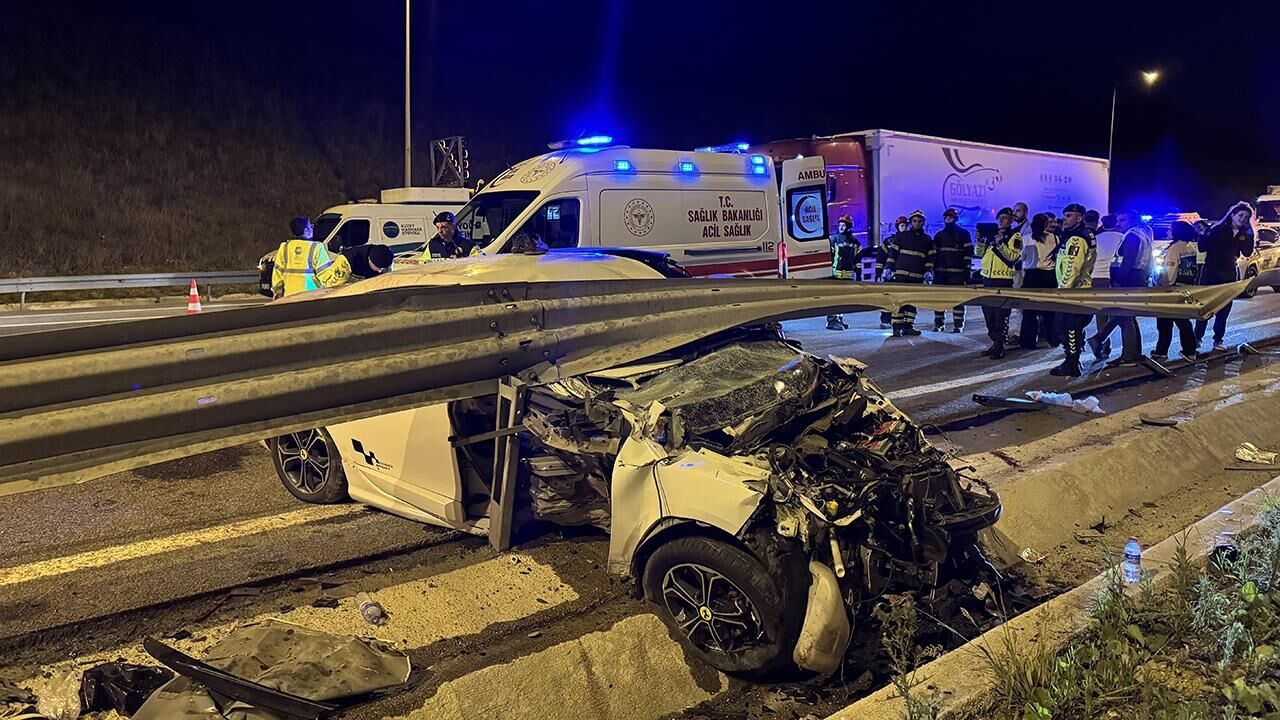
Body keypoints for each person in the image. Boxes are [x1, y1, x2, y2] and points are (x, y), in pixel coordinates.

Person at [1091, 209, 1154, 367]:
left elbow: (1128, 261)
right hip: (1137, 277)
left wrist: (1118, 279)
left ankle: (1128, 356)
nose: (1118, 224)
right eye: (1118, 220)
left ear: (1132, 221)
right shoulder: (1142, 234)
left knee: (1125, 317)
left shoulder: (1132, 236)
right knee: (1128, 316)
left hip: (1128, 279)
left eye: (1122, 220)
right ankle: (1132, 352)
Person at [1194, 202, 1256, 352]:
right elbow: (1202, 247)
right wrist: (1202, 234)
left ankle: (1218, 340)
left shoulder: (1243, 234)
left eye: (1246, 217)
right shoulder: (1218, 229)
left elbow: (1247, 252)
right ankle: (1196, 339)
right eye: (1240, 215)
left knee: (1224, 308)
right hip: (1211, 272)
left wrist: (1250, 235)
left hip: (1229, 273)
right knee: (1205, 307)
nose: (1243, 219)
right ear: (1232, 215)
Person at [1049, 204, 1098, 376]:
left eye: (1069, 215)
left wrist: (1063, 292)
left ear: (1080, 218)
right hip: (1079, 290)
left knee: (1067, 328)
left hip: (1074, 292)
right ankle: (1073, 360)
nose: (1065, 219)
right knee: (1072, 328)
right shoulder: (1079, 234)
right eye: (1065, 215)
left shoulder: (1077, 239)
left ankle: (1072, 363)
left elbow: (1072, 268)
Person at [976, 207, 1022, 358]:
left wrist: (1001, 243)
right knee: (988, 315)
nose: (1001, 220)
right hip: (987, 279)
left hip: (1003, 280)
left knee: (1000, 316)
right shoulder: (991, 234)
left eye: (1005, 218)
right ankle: (995, 342)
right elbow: (978, 254)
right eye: (999, 218)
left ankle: (999, 345)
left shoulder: (1015, 236)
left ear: (1011, 220)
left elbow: (1012, 257)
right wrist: (980, 241)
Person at [1151, 221, 1199, 362]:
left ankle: (1162, 351)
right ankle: (1190, 350)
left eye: (1170, 230)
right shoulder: (1190, 246)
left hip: (1172, 289)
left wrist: (1163, 285)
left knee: (1164, 322)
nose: (1168, 232)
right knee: (1183, 320)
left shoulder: (1174, 248)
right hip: (1185, 287)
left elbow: (1170, 271)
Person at [883, 210, 935, 336]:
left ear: (923, 223)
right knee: (899, 302)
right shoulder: (902, 236)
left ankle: (908, 327)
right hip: (901, 275)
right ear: (911, 222)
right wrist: (888, 267)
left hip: (917, 277)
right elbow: (893, 254)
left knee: (912, 303)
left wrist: (928, 271)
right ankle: (896, 328)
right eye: (914, 221)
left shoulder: (927, 240)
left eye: (919, 221)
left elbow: (930, 258)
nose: (917, 223)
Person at [270, 216, 350, 298]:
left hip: (289, 298)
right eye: (311, 226)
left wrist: (277, 293)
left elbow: (277, 274)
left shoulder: (284, 247)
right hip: (311, 298)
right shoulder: (316, 247)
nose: (312, 228)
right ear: (306, 230)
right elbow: (326, 277)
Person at [1018, 213, 1060, 348]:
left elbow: (1021, 257)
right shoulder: (1054, 238)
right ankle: (1054, 340)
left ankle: (1028, 342)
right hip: (1049, 276)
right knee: (1050, 310)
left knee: (1029, 311)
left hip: (1032, 276)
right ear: (1046, 224)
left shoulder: (1026, 238)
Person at [930, 207, 974, 332]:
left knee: (958, 300)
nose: (948, 220)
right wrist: (934, 271)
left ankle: (958, 325)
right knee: (939, 300)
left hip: (957, 274)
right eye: (946, 217)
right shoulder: (939, 235)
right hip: (941, 274)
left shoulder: (963, 234)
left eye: (950, 217)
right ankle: (939, 324)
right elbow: (934, 254)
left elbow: (968, 253)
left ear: (955, 219)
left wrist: (967, 271)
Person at [827, 214, 862, 330]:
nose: (841, 227)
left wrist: (859, 275)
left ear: (849, 227)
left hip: (848, 275)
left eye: (844, 225)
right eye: (840, 225)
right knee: (833, 299)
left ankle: (839, 319)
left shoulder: (855, 242)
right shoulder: (834, 239)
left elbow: (857, 260)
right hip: (835, 274)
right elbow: (830, 257)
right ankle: (832, 321)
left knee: (843, 299)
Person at [876, 216, 909, 328]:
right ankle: (885, 321)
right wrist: (879, 272)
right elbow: (881, 258)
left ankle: (901, 321)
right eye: (902, 225)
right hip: (889, 274)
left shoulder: (910, 241)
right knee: (888, 298)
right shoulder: (889, 241)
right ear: (897, 227)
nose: (904, 228)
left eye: (906, 226)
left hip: (903, 275)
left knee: (902, 299)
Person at [1006, 202, 1030, 343]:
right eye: (1014, 211)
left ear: (1026, 213)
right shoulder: (1015, 229)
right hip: (1014, 270)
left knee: (1019, 304)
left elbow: (1024, 252)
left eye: (1018, 211)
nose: (1015, 213)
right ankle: (1014, 332)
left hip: (1022, 269)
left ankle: (1018, 333)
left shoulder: (1028, 229)